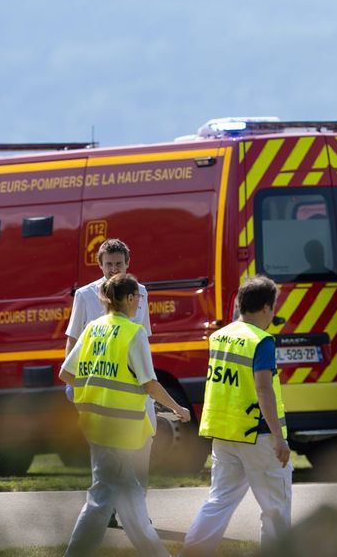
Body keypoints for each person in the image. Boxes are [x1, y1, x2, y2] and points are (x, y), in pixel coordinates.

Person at [59, 273, 190, 557]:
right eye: (138, 298)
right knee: (110, 500)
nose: (140, 303)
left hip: (96, 426)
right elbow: (150, 384)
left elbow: (66, 373)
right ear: (130, 299)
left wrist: (92, 394)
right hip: (124, 431)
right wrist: (177, 408)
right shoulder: (134, 333)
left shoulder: (93, 328)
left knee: (117, 500)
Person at [180, 276, 291, 556]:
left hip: (224, 433)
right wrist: (279, 438)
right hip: (259, 434)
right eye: (273, 308)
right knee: (275, 509)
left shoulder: (220, 336)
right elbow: (263, 389)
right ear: (266, 307)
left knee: (218, 502)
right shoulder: (261, 340)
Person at [64, 238, 154, 497]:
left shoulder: (141, 292)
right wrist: (71, 383)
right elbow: (73, 339)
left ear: (128, 263)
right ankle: (109, 506)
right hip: (99, 383)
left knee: (141, 444)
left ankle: (138, 505)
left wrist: (148, 376)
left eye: (118, 264)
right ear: (100, 265)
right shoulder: (85, 295)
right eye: (109, 264)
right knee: (103, 450)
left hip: (133, 384)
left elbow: (143, 337)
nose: (114, 269)